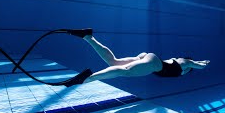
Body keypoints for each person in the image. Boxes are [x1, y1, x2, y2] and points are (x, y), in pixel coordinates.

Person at [63, 29, 210, 87]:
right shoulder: (186, 63)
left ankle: (88, 37)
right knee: (124, 70)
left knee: (114, 61)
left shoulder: (180, 65)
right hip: (154, 64)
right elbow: (200, 65)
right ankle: (87, 78)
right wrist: (204, 63)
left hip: (149, 59)